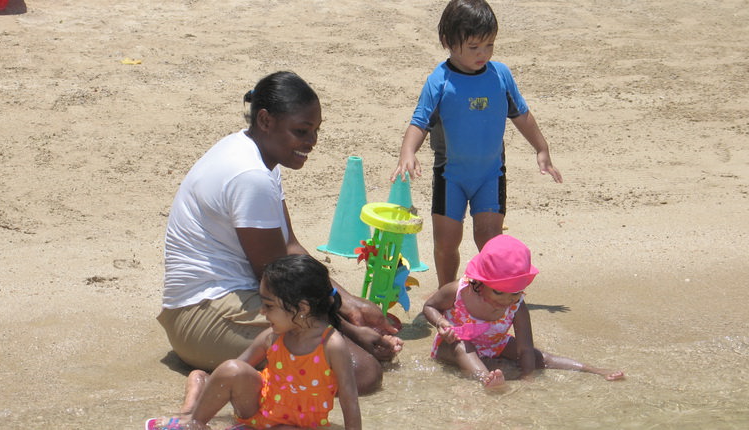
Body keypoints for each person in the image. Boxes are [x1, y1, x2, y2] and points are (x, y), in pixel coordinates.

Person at [157, 71, 402, 395]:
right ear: (265, 120)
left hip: (224, 303)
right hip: (202, 317)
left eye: (316, 131)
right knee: (362, 372)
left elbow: (289, 246)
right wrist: (346, 327)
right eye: (301, 131)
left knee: (356, 356)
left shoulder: (255, 155)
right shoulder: (250, 175)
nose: (312, 142)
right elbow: (277, 278)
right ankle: (214, 386)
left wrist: (350, 304)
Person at [390, 0, 564, 288]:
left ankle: (493, 292)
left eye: (489, 45)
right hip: (451, 176)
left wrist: (541, 149)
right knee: (447, 242)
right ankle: (448, 293)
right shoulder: (440, 81)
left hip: (490, 175)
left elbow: (521, 115)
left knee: (489, 238)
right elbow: (419, 121)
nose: (483, 54)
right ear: (448, 42)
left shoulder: (501, 75)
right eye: (474, 47)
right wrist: (407, 152)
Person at [156, 255, 362, 430]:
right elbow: (231, 374)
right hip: (257, 413)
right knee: (228, 369)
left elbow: (349, 398)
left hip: (298, 426)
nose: (262, 311)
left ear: (303, 308)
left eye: (269, 306)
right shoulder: (272, 336)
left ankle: (191, 404)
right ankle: (193, 422)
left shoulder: (331, 345)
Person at [423, 234, 624, 387]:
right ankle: (486, 381)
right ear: (480, 282)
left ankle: (594, 370)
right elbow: (429, 306)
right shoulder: (458, 291)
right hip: (451, 346)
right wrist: (442, 323)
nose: (506, 300)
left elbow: (525, 347)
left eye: (515, 293)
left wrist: (527, 377)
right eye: (499, 293)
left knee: (539, 357)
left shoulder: (516, 305)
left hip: (495, 344)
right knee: (463, 347)